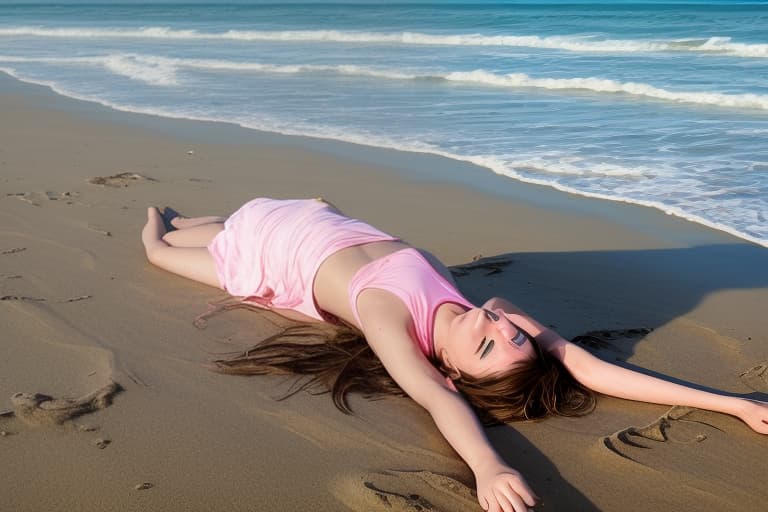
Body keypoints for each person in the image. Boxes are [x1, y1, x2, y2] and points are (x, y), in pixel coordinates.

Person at [141, 197, 768, 512]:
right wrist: (732, 403)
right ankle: (196, 217)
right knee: (218, 219)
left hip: (268, 257)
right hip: (309, 213)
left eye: (491, 343)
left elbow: (439, 401)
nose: (496, 321)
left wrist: (487, 468)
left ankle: (154, 219)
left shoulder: (390, 321)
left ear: (453, 368)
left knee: (163, 247)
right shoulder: (487, 311)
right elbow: (583, 365)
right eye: (510, 329)